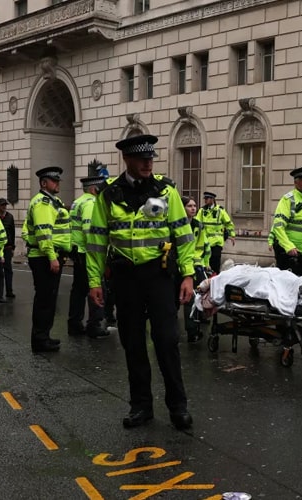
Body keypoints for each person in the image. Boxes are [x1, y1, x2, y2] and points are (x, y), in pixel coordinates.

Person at [86, 134, 195, 430]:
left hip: (159, 275)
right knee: (132, 343)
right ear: (127, 160)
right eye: (142, 159)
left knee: (167, 340)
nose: (148, 163)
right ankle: (141, 406)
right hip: (125, 277)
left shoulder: (166, 191)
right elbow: (96, 241)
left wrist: (187, 274)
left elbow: (183, 235)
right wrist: (94, 281)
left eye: (151, 158)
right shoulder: (108, 195)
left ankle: (178, 406)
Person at [23, 166, 71, 353]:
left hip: (49, 255)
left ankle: (44, 336)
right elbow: (44, 233)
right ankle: (40, 340)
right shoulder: (43, 202)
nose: (58, 183)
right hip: (44, 256)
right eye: (54, 180)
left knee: (48, 299)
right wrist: (52, 257)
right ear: (44, 183)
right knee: (44, 299)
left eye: (58, 180)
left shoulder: (53, 201)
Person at [67, 176, 108, 339]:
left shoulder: (78, 202)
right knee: (96, 287)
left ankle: (75, 323)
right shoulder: (91, 203)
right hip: (87, 252)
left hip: (78, 250)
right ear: (93, 189)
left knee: (78, 290)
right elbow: (90, 230)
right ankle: (94, 325)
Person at [179, 195, 209, 342]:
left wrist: (201, 264)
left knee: (192, 299)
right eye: (189, 206)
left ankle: (192, 331)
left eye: (194, 206)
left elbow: (201, 247)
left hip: (193, 267)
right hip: (176, 267)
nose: (193, 208)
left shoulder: (198, 225)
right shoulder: (177, 224)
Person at [196, 191, 235, 273]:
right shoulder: (202, 211)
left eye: (207, 198)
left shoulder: (220, 210)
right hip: (205, 242)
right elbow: (196, 223)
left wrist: (232, 235)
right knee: (206, 264)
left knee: (215, 263)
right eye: (205, 198)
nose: (205, 200)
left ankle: (215, 279)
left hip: (217, 242)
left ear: (212, 199)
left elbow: (228, 223)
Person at [0, 198, 16, 301]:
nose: (4, 207)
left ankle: (9, 291)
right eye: (2, 205)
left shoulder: (9, 217)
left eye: (5, 205)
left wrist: (13, 247)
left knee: (8, 270)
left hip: (7, 247)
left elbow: (12, 232)